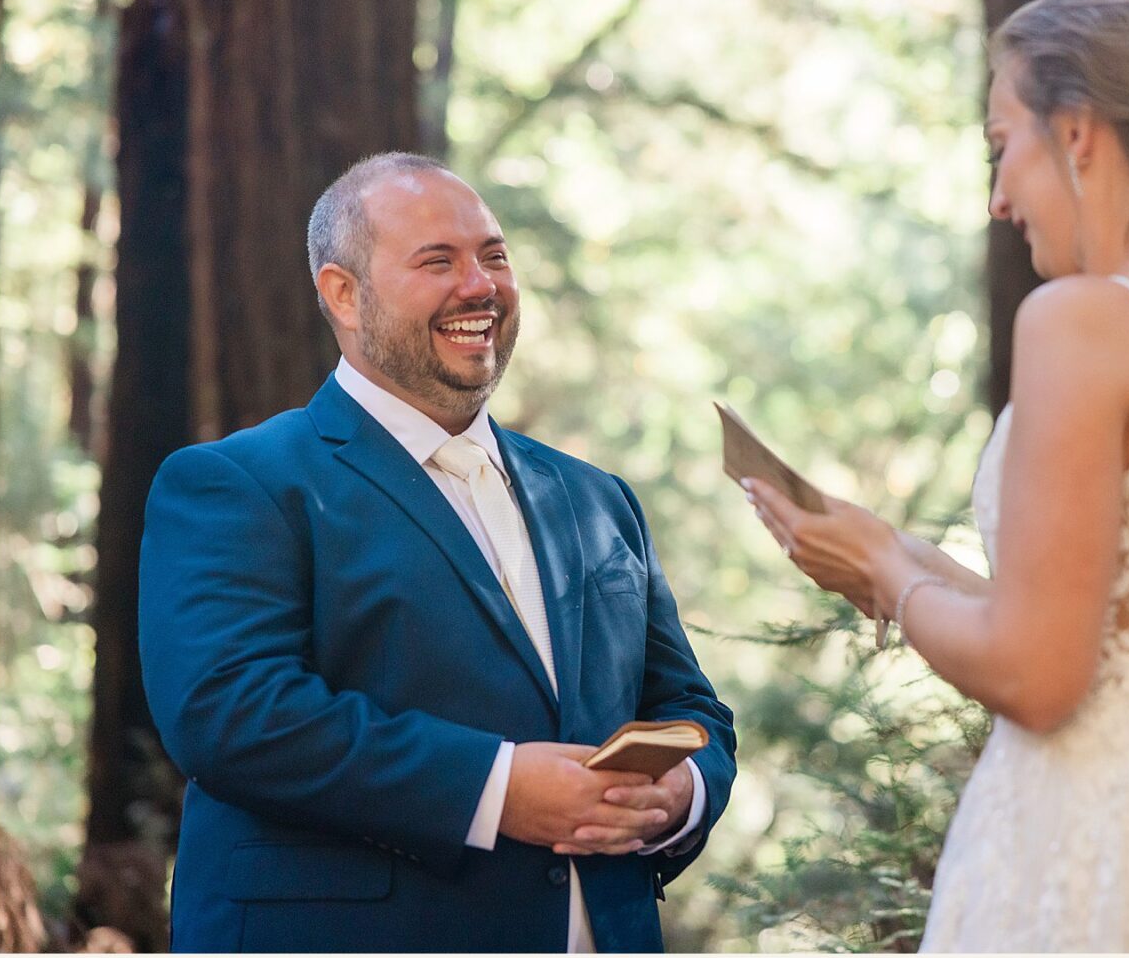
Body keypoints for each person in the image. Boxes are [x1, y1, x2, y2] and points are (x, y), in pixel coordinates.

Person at [745, 0, 1129, 951]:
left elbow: (1039, 674)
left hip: (1096, 857)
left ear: (1075, 132)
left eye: (1001, 147)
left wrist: (891, 577)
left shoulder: (1086, 320)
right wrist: (888, 550)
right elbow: (1122, 635)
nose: (997, 197)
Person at [138, 153, 736, 953]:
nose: (481, 285)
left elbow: (694, 712)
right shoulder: (238, 483)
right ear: (342, 294)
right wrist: (498, 791)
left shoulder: (597, 498)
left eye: (493, 255)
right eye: (438, 261)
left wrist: (680, 794)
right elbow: (231, 713)